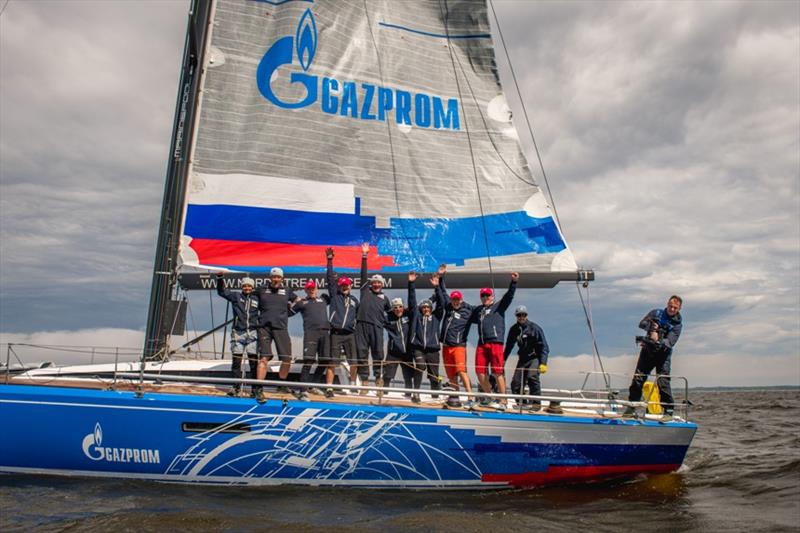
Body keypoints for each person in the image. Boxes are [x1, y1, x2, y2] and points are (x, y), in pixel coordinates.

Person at [464, 272, 519, 411]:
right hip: (482, 344)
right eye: (483, 295)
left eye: (487, 295)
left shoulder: (499, 307)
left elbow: (509, 297)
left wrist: (513, 282)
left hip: (495, 342)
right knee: (479, 372)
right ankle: (490, 397)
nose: (485, 297)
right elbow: (465, 310)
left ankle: (504, 401)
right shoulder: (479, 310)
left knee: (497, 372)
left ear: (492, 296)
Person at [625, 295, 684, 420]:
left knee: (663, 382)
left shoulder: (678, 325)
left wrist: (658, 335)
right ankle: (632, 406)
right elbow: (642, 323)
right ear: (667, 304)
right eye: (670, 306)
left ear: (679, 309)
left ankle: (668, 410)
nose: (672, 309)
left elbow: (670, 342)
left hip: (663, 355)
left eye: (675, 308)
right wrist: (652, 327)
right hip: (648, 351)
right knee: (638, 379)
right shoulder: (656, 313)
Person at [255, 267, 299, 401]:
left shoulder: (287, 290)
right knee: (263, 358)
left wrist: (290, 313)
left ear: (282, 278)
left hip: (281, 327)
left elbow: (299, 301)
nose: (276, 279)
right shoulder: (261, 289)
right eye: (274, 277)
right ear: (270, 278)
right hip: (264, 328)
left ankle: (281, 384)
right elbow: (248, 298)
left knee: (287, 358)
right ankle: (259, 388)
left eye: (278, 277)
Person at [433, 265, 474, 408]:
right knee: (451, 375)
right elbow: (443, 292)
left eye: (457, 300)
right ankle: (455, 398)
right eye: (453, 299)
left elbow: (482, 312)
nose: (455, 302)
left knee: (461, 371)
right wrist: (441, 277)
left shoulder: (468, 311)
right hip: (446, 346)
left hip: (458, 346)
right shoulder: (449, 307)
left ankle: (470, 396)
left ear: (461, 300)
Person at [504, 305, 556, 412]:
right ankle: (521, 403)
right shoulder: (514, 330)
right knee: (515, 383)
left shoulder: (535, 328)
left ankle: (536, 405)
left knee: (532, 377)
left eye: (523, 315)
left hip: (534, 358)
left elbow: (544, 347)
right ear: (516, 316)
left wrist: (543, 363)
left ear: (526, 315)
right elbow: (509, 346)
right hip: (522, 359)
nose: (521, 317)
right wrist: (503, 360)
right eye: (519, 315)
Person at [215, 273, 259, 397]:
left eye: (249, 286)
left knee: (253, 363)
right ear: (242, 286)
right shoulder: (236, 296)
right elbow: (222, 291)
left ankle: (254, 389)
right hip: (238, 333)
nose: (247, 288)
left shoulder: (257, 298)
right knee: (236, 362)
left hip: (253, 334)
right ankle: (236, 387)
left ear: (252, 287)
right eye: (245, 286)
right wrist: (220, 279)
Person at [355, 243, 391, 394]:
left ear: (382, 285)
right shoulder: (365, 291)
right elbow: (363, 273)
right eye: (374, 282)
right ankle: (364, 381)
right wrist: (365, 256)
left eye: (379, 283)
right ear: (371, 284)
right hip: (361, 326)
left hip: (377, 328)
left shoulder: (385, 298)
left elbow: (392, 315)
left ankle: (378, 380)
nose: (376, 284)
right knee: (362, 353)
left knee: (378, 354)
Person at [326, 247, 359, 398]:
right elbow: (330, 279)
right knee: (333, 361)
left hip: (350, 334)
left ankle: (353, 385)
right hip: (336, 333)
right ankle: (329, 388)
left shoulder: (354, 300)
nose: (345, 287)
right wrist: (330, 260)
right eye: (342, 285)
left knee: (354, 361)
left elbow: (357, 316)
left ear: (350, 286)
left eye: (347, 285)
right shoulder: (335, 296)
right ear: (339, 287)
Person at [290, 280, 331, 400]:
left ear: (317, 289)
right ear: (305, 290)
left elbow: (334, 293)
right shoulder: (302, 303)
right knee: (308, 361)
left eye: (313, 288)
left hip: (324, 333)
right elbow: (288, 313)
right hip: (311, 334)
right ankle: (303, 390)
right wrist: (289, 302)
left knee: (325, 361)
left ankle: (313, 385)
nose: (311, 290)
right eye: (309, 288)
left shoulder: (323, 300)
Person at [382, 272, 418, 400]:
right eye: (395, 307)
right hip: (393, 351)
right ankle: (383, 392)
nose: (398, 309)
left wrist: (411, 283)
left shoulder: (409, 315)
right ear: (392, 309)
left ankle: (409, 393)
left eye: (400, 307)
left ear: (404, 307)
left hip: (407, 351)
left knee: (408, 374)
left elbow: (413, 301)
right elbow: (377, 320)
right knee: (388, 373)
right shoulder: (388, 318)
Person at [408, 286, 445, 403]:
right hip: (418, 348)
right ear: (420, 309)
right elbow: (412, 301)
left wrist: (437, 287)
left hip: (433, 349)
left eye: (428, 307)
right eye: (423, 307)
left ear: (431, 308)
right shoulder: (416, 317)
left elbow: (441, 303)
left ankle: (435, 396)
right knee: (420, 366)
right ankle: (416, 393)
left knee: (434, 374)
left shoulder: (436, 317)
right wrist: (411, 283)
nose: (426, 309)